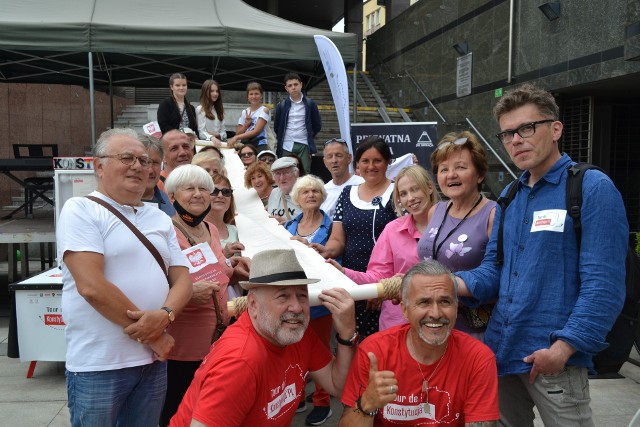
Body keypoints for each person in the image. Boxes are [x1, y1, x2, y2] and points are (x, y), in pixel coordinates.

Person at [454, 84, 628, 426]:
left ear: (556, 129)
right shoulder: (510, 194)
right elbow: (493, 271)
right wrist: (446, 283)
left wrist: (564, 349)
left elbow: (603, 285)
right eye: (507, 133)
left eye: (526, 128)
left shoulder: (591, 188)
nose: (516, 139)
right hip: (502, 352)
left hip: (553, 359)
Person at [56, 128, 193, 427]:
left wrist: (167, 314)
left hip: (152, 364)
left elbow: (183, 279)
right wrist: (155, 334)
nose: (139, 166)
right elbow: (91, 286)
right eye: (127, 158)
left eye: (144, 161)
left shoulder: (158, 217)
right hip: (100, 365)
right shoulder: (81, 209)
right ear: (99, 166)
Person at [169, 248, 357, 427]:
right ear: (253, 304)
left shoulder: (296, 333)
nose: (297, 307)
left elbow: (337, 386)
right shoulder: (240, 362)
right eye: (282, 297)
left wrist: (347, 333)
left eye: (302, 296)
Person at [339, 260, 499, 426]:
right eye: (424, 302)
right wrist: (367, 404)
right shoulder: (374, 351)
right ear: (405, 310)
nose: (436, 313)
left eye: (445, 302)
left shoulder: (478, 358)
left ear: (456, 307)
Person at [159, 164, 236, 426]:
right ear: (172, 197)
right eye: (188, 188)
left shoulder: (211, 229)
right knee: (177, 410)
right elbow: (152, 286)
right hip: (183, 345)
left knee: (208, 412)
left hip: (217, 341)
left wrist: (234, 266)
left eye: (204, 188)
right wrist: (188, 294)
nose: (198, 194)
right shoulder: (164, 232)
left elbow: (215, 269)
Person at [332, 165, 438, 331]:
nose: (410, 198)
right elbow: (378, 277)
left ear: (430, 187)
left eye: (415, 190)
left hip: (439, 319)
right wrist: (344, 272)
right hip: (398, 324)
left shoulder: (450, 224)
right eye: (403, 194)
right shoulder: (392, 230)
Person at [311, 136, 397, 339]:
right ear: (357, 164)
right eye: (365, 161)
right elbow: (338, 240)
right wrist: (325, 251)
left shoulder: (397, 192)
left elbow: (402, 244)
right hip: (350, 279)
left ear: (387, 162)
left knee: (382, 342)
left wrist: (384, 286)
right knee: (352, 339)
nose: (371, 166)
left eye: (377, 161)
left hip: (386, 282)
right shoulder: (347, 193)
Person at [416, 133, 496, 340]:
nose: (451, 175)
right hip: (432, 321)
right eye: (444, 169)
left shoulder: (493, 214)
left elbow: (499, 275)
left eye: (460, 167)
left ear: (479, 175)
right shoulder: (436, 210)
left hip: (472, 327)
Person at [282, 175, 335, 424]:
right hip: (294, 299)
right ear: (297, 198)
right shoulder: (288, 227)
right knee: (294, 349)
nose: (311, 195)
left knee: (321, 352)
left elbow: (336, 256)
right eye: (305, 192)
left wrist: (309, 249)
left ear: (322, 196)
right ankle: (299, 396)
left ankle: (323, 401)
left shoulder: (332, 226)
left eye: (315, 191)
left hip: (322, 299)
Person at [274, 72, 322, 175]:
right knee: (285, 174)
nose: (293, 88)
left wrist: (309, 136)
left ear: (301, 85)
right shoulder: (281, 106)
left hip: (304, 144)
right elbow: (277, 127)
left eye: (295, 84)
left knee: (305, 174)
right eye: (290, 86)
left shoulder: (310, 103)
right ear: (286, 88)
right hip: (286, 145)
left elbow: (317, 125)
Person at [320, 137, 364, 219]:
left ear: (349, 158)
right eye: (330, 157)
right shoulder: (322, 191)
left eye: (338, 155)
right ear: (325, 162)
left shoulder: (362, 185)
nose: (334, 160)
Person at [139, 133, 176, 216]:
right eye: (144, 162)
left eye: (155, 163)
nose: (150, 170)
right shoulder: (115, 202)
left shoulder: (168, 201)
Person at [227, 82, 270, 151]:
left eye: (256, 94)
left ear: (261, 95)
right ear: (248, 97)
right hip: (246, 145)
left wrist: (236, 138)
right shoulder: (244, 112)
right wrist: (246, 125)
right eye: (251, 94)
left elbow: (256, 131)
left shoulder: (264, 110)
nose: (254, 96)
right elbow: (238, 132)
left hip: (259, 144)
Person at [267, 156, 301, 223]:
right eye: (278, 174)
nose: (282, 178)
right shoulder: (274, 192)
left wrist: (287, 224)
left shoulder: (306, 193)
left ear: (296, 174)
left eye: (286, 173)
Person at [196, 79, 227, 145]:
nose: (215, 94)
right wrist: (212, 137)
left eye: (217, 91)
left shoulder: (219, 109)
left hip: (220, 144)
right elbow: (201, 132)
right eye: (212, 91)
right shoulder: (200, 109)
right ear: (205, 92)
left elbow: (224, 133)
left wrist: (218, 135)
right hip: (206, 145)